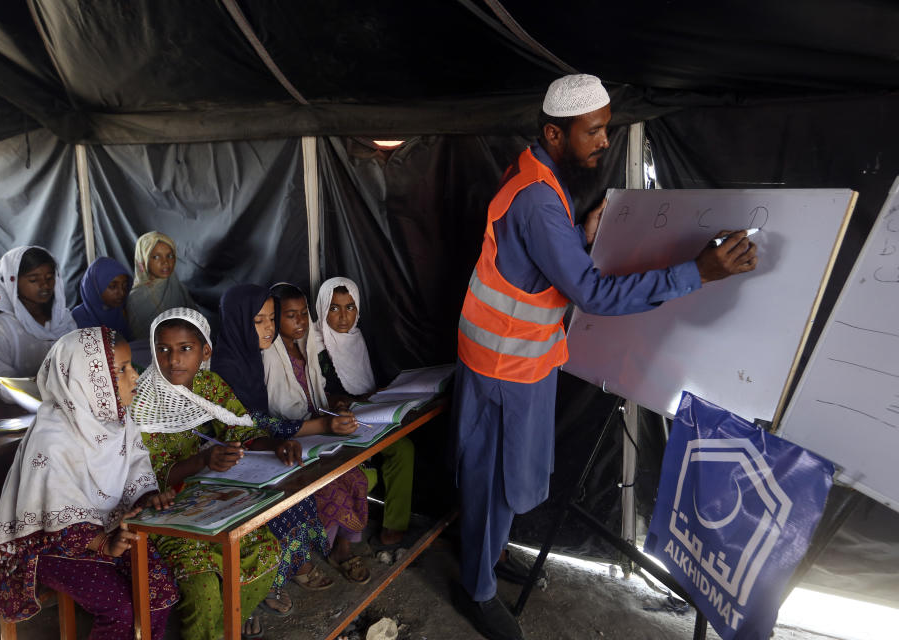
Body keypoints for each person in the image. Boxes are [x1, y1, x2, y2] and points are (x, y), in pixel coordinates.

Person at [452, 74, 758, 640]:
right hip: (504, 369)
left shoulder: (534, 172)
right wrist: (699, 272)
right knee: (493, 478)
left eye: (607, 128)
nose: (604, 141)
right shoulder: (541, 201)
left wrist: (578, 231)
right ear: (555, 132)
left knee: (507, 476)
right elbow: (592, 293)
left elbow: (537, 254)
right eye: (592, 131)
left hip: (517, 361)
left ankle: (486, 559)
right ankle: (476, 588)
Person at [0, 327, 178, 638]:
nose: (135, 377)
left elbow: (135, 473)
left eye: (131, 366)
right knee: (120, 607)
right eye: (122, 369)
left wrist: (147, 500)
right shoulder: (52, 438)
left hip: (113, 530)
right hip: (53, 544)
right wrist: (104, 544)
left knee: (160, 591)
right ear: (90, 381)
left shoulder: (119, 421)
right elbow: (54, 519)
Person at [130, 307, 293, 639]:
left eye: (185, 348)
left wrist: (275, 444)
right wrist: (204, 461)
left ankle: (221, 632)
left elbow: (240, 431)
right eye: (163, 349)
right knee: (202, 587)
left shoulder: (209, 384)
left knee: (267, 553)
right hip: (164, 509)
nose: (173, 359)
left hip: (214, 496)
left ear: (205, 351)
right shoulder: (143, 400)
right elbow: (148, 478)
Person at [214, 284, 365, 609]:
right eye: (260, 320)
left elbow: (257, 426)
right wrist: (316, 427)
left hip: (256, 447)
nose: (269, 327)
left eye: (272, 318)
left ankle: (296, 566)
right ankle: (271, 584)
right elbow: (251, 423)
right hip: (226, 460)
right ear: (240, 321)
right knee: (291, 494)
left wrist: (283, 440)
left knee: (313, 478)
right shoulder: (228, 367)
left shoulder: (251, 357)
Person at [264, 283, 371, 584]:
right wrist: (322, 423)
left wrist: (332, 407)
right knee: (330, 488)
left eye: (303, 314)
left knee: (356, 476)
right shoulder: (270, 357)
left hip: (317, 431)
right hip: (292, 440)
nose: (300, 322)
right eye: (290, 316)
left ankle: (342, 548)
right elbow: (275, 416)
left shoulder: (306, 346)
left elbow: (317, 396)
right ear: (274, 319)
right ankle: (308, 559)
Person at [315, 277, 415, 548]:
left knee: (403, 450)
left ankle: (393, 528)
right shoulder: (315, 344)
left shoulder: (360, 339)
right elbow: (315, 394)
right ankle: (342, 542)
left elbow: (369, 385)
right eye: (334, 308)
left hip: (367, 417)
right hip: (334, 424)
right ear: (322, 308)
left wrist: (373, 397)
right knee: (366, 469)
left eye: (350, 307)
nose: (343, 316)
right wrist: (344, 402)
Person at [0, 246, 77, 377]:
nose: (45, 285)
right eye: (33, 280)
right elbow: (1, 376)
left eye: (50, 278)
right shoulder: (1, 326)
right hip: (22, 397)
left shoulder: (64, 318)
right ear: (12, 282)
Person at [126, 232, 198, 342]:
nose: (165, 262)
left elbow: (195, 321)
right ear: (143, 259)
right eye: (155, 257)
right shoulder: (135, 299)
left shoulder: (177, 286)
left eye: (170, 256)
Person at [72, 257, 133, 340]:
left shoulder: (121, 313)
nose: (121, 293)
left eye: (125, 286)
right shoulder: (75, 320)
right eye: (112, 286)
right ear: (95, 288)